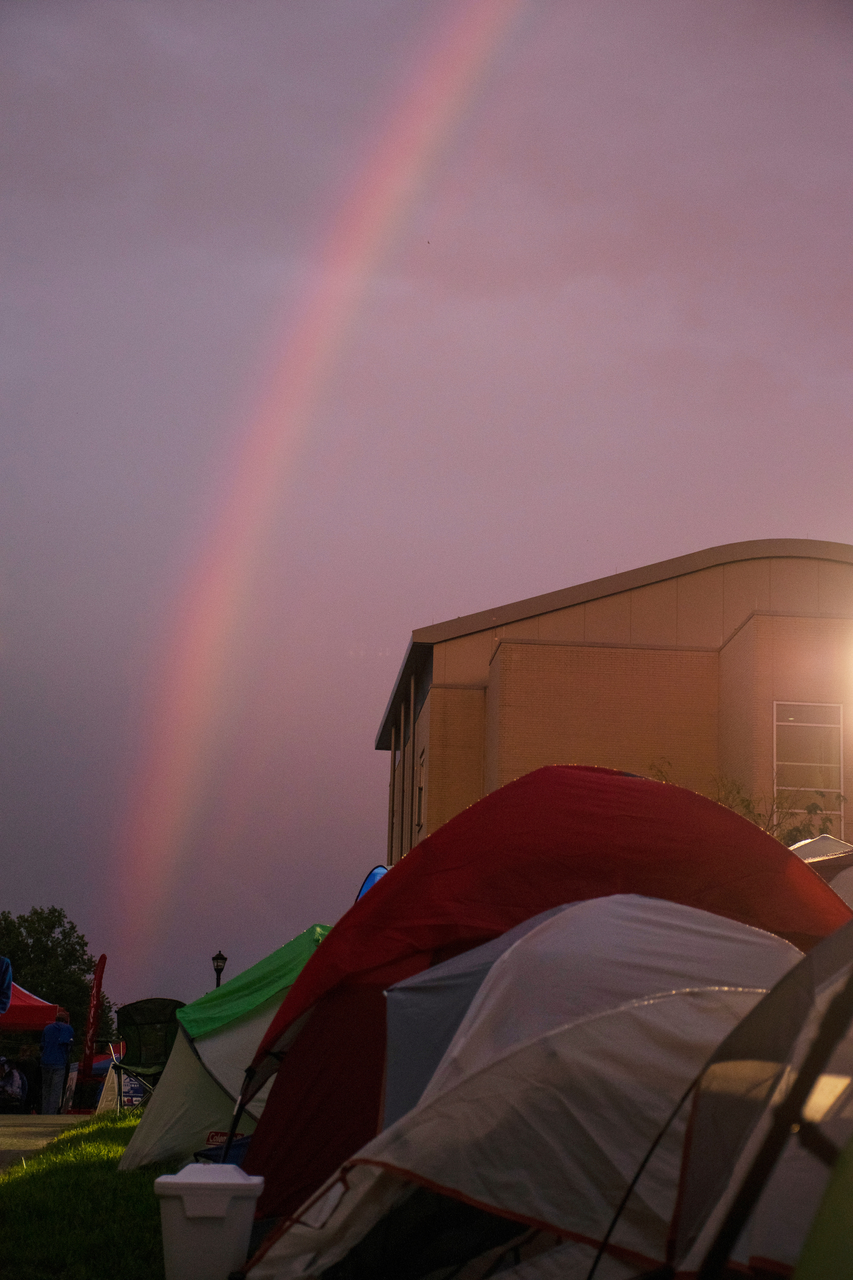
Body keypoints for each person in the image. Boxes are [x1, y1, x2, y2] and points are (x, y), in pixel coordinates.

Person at [41, 1010, 73, 1115]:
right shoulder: (67, 1028)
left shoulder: (47, 1028)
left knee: (46, 1088)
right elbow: (68, 1045)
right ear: (66, 1020)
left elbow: (42, 1045)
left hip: (45, 1061)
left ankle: (44, 1111)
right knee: (56, 1089)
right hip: (59, 1062)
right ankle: (51, 1113)